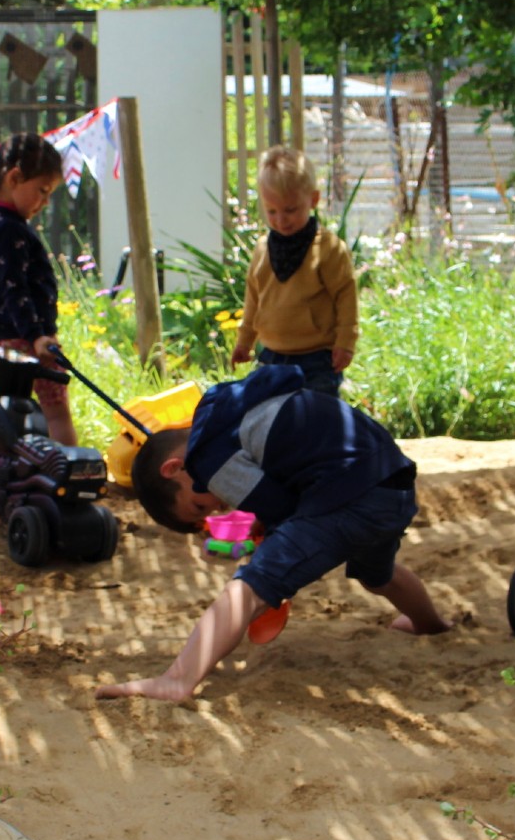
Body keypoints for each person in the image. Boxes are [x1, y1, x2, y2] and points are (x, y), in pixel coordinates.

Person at [96, 364, 450, 703]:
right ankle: (428, 623)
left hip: (347, 496)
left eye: (199, 506)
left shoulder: (207, 459)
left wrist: (262, 530)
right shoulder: (231, 408)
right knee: (378, 574)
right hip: (393, 483)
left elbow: (279, 508)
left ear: (175, 468)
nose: (218, 507)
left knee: (251, 585)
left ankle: (177, 680)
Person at [0, 133, 76, 445]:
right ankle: (70, 469)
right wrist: (37, 336)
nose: (44, 203)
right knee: (56, 410)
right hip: (26, 340)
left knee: (1, 416)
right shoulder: (9, 228)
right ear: (15, 177)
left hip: (9, 335)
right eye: (41, 192)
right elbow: (14, 288)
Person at [231, 146, 357, 396]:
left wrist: (345, 342)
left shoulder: (327, 249)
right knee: (273, 419)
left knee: (316, 421)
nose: (281, 220)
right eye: (272, 211)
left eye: (291, 210)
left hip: (317, 358)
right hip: (271, 354)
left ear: (313, 200)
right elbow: (254, 299)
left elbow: (346, 296)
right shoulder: (263, 249)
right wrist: (245, 341)